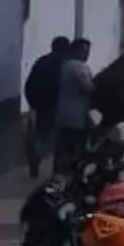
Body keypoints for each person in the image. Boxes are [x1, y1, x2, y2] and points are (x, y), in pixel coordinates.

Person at [22, 36, 71, 178]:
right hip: (58, 106)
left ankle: (36, 154)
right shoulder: (65, 65)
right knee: (57, 138)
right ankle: (46, 160)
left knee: (43, 133)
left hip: (42, 105)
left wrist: (34, 104)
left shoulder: (41, 62)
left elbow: (29, 85)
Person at [54, 38, 95, 175]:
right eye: (84, 51)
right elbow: (89, 88)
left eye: (88, 52)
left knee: (62, 144)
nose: (87, 55)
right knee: (77, 144)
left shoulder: (65, 65)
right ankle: (73, 170)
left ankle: (60, 170)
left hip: (63, 111)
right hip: (77, 113)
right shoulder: (78, 68)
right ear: (76, 51)